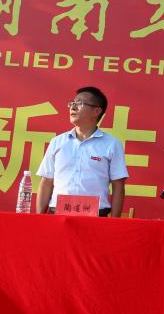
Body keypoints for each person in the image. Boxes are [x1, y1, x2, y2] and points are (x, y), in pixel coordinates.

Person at [36, 86, 128, 217]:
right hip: (58, 215)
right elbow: (46, 181)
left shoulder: (112, 144)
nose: (73, 107)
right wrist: (40, 217)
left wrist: (114, 222)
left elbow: (118, 185)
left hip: (95, 217)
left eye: (79, 103)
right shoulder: (57, 142)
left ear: (96, 111)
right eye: (72, 103)